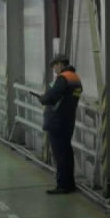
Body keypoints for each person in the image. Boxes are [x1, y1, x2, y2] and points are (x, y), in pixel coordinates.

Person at [31, 53, 83, 194]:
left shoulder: (63, 78)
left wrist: (43, 99)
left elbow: (52, 96)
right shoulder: (75, 78)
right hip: (68, 120)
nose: (54, 69)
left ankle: (62, 185)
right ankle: (70, 183)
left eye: (54, 66)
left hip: (57, 121)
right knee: (67, 153)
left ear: (60, 64)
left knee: (59, 154)